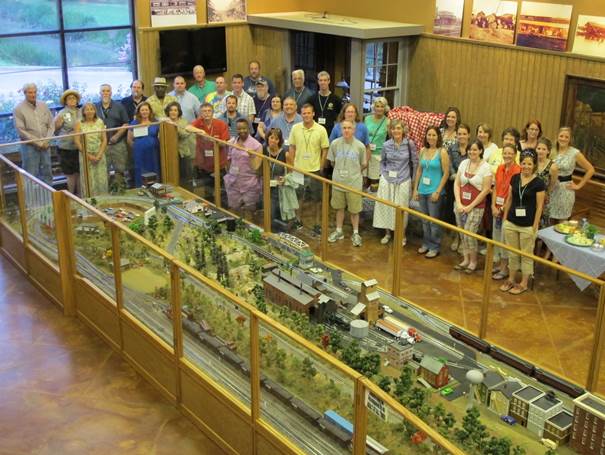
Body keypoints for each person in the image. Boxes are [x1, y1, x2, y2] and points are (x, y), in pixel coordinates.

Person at [500, 150, 545, 295]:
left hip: (528, 225)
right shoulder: (514, 178)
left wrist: (534, 226)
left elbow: (539, 207)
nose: (526, 166)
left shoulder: (539, 183)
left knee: (526, 255)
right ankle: (511, 278)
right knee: (512, 253)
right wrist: (505, 218)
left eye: (529, 164)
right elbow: (509, 199)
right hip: (511, 222)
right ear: (521, 164)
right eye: (524, 163)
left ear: (534, 165)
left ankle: (524, 282)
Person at [372, 119, 418, 245]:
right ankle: (387, 233)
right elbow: (382, 161)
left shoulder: (410, 144)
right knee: (386, 206)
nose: (396, 131)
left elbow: (415, 163)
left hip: (403, 179)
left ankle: (401, 235)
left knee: (402, 208)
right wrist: (383, 174)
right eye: (393, 128)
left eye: (398, 128)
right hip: (387, 179)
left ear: (403, 130)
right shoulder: (386, 145)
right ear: (390, 131)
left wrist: (413, 181)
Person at [288, 103, 329, 230]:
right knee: (298, 197)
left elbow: (325, 150)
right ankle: (297, 220)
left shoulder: (321, 129)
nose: (306, 115)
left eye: (308, 113)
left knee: (317, 199)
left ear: (313, 114)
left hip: (315, 170)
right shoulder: (295, 128)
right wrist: (292, 165)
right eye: (304, 113)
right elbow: (292, 147)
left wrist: (321, 167)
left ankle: (317, 223)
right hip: (299, 169)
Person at [453, 140, 492, 273]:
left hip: (476, 207)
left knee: (470, 234)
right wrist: (458, 202)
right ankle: (465, 259)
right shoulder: (464, 163)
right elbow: (457, 184)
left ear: (481, 151)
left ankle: (473, 261)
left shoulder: (486, 167)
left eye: (475, 150)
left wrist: (470, 206)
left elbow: (486, 190)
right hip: (460, 205)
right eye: (470, 150)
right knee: (462, 232)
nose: (472, 152)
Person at [326, 120, 367, 247]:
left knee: (354, 210)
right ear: (341, 129)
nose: (347, 130)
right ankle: (339, 230)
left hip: (354, 183)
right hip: (338, 182)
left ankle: (355, 233)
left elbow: (364, 164)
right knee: (339, 208)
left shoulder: (360, 146)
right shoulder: (335, 144)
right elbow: (332, 162)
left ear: (354, 130)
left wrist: (353, 174)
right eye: (344, 128)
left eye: (349, 128)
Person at [412, 126, 450, 258]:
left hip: (434, 192)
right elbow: (419, 171)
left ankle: (435, 246)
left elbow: (446, 173)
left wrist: (438, 191)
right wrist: (415, 189)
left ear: (438, 137)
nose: (431, 137)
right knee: (425, 221)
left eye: (434, 135)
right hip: (422, 190)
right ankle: (426, 244)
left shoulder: (442, 152)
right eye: (429, 135)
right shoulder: (422, 150)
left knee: (434, 222)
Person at [548, 127, 594, 223]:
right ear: (557, 137)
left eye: (566, 137)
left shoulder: (574, 153)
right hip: (551, 188)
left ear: (570, 139)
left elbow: (590, 170)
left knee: (562, 223)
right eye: (561, 136)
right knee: (547, 219)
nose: (563, 139)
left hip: (565, 190)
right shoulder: (551, 151)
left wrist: (579, 185)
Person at [13, 83, 54, 185]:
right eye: (30, 92)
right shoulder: (18, 109)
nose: (33, 95)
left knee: (48, 173)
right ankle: (31, 201)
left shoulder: (43, 105)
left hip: (46, 145)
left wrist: (46, 140)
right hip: (29, 147)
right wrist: (38, 143)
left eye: (35, 92)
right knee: (30, 175)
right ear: (25, 93)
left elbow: (51, 124)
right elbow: (21, 130)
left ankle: (49, 199)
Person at [491, 144, 521, 280]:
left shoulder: (518, 171)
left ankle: (504, 269)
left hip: (508, 211)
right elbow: (496, 187)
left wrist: (503, 208)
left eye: (510, 153)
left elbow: (513, 194)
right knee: (496, 237)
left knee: (505, 240)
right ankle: (499, 264)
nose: (507, 155)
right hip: (496, 208)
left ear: (515, 155)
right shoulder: (500, 168)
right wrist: (493, 206)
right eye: (505, 153)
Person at [223, 118, 263, 217]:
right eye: (239, 129)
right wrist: (229, 174)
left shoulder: (257, 145)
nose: (242, 131)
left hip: (250, 184)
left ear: (249, 128)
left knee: (249, 212)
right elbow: (228, 160)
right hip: (233, 182)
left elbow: (257, 167)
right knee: (233, 210)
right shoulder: (232, 142)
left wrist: (251, 155)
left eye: (244, 128)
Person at [95, 84, 130, 187]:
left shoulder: (119, 106)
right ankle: (105, 193)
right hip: (102, 145)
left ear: (111, 93)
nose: (105, 93)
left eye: (107, 91)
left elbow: (126, 123)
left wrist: (117, 136)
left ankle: (120, 191)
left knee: (120, 170)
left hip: (118, 144)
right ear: (100, 93)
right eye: (103, 91)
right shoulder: (94, 107)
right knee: (102, 170)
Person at [263, 128, 298, 231]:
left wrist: (285, 178)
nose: (273, 140)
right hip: (266, 187)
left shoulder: (285, 154)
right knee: (269, 214)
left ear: (280, 141)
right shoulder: (264, 150)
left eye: (276, 139)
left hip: (281, 190)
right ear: (268, 138)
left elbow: (292, 172)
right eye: (271, 137)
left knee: (280, 216)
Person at [189, 103, 230, 180]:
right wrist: (201, 131)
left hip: (218, 162)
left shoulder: (221, 124)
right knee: (203, 189)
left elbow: (224, 144)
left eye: (209, 111)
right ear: (200, 113)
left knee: (220, 189)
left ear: (213, 112)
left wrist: (210, 139)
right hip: (202, 163)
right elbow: (188, 128)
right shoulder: (199, 122)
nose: (207, 113)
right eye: (204, 111)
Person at [447, 123, 471, 252]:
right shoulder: (452, 148)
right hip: (454, 184)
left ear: (469, 135)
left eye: (464, 134)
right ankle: (456, 237)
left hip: (468, 186)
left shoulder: (473, 148)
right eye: (459, 134)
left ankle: (463, 240)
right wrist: (454, 175)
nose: (461, 136)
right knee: (455, 212)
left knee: (464, 213)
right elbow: (449, 164)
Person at [74, 102, 108, 196]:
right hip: (86, 156)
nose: (89, 111)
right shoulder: (79, 123)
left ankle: (103, 202)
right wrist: (88, 156)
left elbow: (104, 139)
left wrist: (99, 154)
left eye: (91, 109)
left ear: (95, 110)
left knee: (101, 180)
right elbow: (77, 141)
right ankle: (89, 204)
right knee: (89, 181)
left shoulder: (100, 121)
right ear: (83, 111)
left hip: (99, 155)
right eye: (87, 109)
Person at [127, 102, 160, 187]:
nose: (144, 112)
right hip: (139, 154)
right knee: (140, 171)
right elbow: (129, 140)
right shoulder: (134, 123)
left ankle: (154, 189)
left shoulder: (155, 122)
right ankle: (140, 189)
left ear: (150, 111)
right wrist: (137, 148)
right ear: (139, 112)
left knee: (153, 171)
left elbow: (160, 136)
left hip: (153, 153)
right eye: (142, 110)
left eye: (146, 109)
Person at [55, 89, 82, 194]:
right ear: (65, 101)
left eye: (74, 98)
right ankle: (71, 196)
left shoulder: (81, 112)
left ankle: (81, 196)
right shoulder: (62, 113)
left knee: (79, 173)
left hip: (79, 147)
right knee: (70, 174)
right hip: (66, 148)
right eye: (69, 98)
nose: (72, 100)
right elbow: (55, 129)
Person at [165, 101, 196, 187]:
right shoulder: (164, 123)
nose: (173, 112)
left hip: (183, 153)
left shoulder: (184, 122)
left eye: (175, 110)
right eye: (171, 110)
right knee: (172, 177)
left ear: (179, 112)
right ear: (168, 111)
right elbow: (160, 137)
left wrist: (174, 125)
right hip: (169, 154)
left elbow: (184, 134)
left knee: (186, 178)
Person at [364, 97, 390, 190]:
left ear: (385, 108)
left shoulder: (388, 121)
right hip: (366, 153)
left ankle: (372, 203)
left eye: (382, 106)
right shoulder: (367, 119)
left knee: (374, 183)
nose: (379, 108)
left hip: (378, 155)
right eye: (377, 106)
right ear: (373, 107)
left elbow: (390, 139)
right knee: (364, 181)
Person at [535, 137, 558, 227]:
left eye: (543, 149)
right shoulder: (532, 163)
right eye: (539, 148)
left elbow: (552, 184)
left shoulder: (553, 166)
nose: (540, 151)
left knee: (542, 227)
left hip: (544, 200)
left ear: (548, 151)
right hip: (530, 199)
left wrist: (546, 193)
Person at [311, 71, 342, 136]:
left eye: (325, 80)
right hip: (315, 132)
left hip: (331, 132)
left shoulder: (336, 99)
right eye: (321, 80)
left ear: (329, 81)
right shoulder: (312, 98)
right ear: (318, 82)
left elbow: (341, 116)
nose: (323, 82)